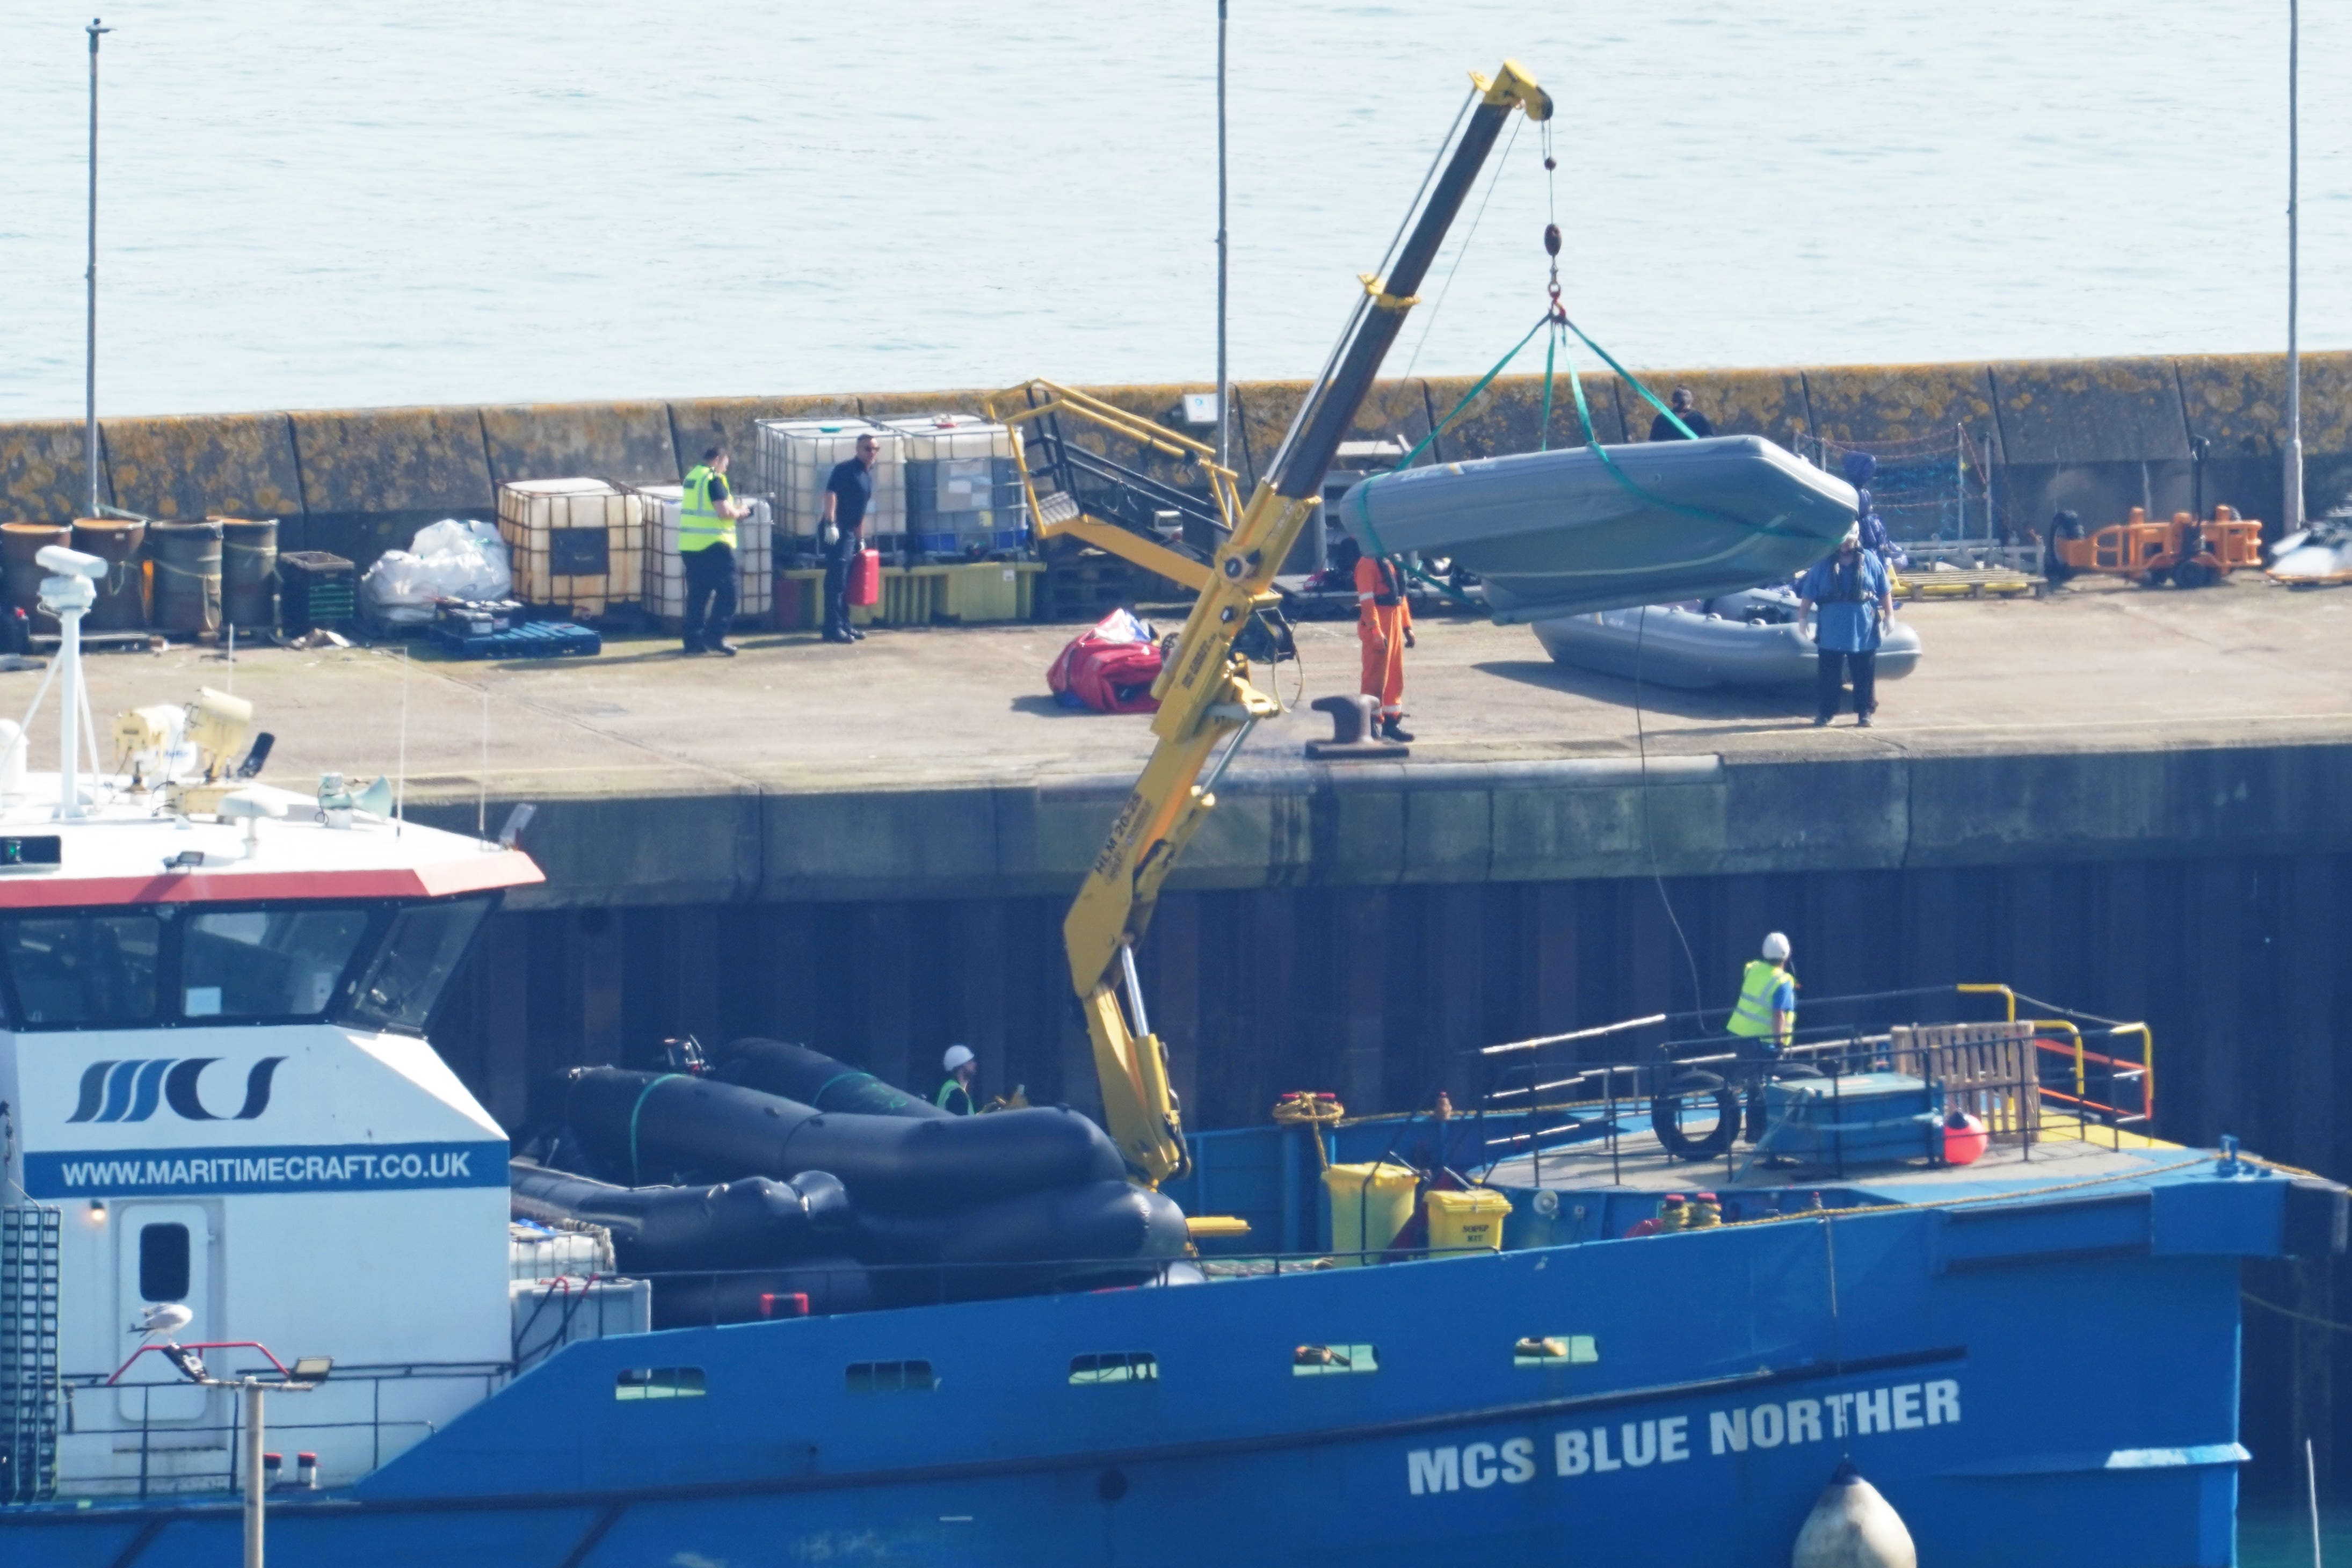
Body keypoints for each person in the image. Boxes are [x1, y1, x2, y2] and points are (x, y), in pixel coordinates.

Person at [1797, 525, 1894, 727]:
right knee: (1829, 675)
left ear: (1856, 539)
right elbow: (1809, 594)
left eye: (1849, 541)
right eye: (1843, 541)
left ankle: (1865, 712)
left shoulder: (1870, 560)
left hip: (1862, 629)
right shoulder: (1823, 564)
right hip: (1832, 630)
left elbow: (1884, 590)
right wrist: (1803, 618)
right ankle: (1826, 713)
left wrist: (1889, 615)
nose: (1846, 545)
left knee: (1864, 675)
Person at [678, 446, 751, 655]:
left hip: (689, 545)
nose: (725, 470)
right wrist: (741, 512)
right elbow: (723, 512)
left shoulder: (693, 477)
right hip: (713, 544)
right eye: (725, 465)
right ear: (718, 460)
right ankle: (715, 636)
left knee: (698, 594)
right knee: (730, 591)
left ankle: (693, 641)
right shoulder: (713, 479)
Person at [822, 433, 880, 644]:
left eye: (875, 449)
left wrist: (860, 538)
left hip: (850, 532)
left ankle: (845, 624)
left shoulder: (867, 475)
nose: (872, 453)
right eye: (868, 449)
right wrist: (830, 523)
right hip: (837, 530)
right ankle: (832, 628)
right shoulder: (846, 470)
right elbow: (831, 494)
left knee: (845, 581)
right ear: (858, 449)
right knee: (836, 581)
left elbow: (860, 511)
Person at [1354, 548, 1413, 742]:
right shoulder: (1367, 564)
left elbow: (1400, 596)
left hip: (1394, 622)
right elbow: (1367, 600)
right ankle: (1369, 723)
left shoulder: (1393, 561)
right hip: (1379, 622)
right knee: (1375, 676)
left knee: (1395, 676)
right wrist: (1375, 629)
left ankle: (1391, 723)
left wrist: (1407, 627)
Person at [1648, 386, 1715, 441]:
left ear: (1690, 403)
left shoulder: (1699, 420)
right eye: (1676, 402)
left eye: (1682, 403)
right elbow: (1653, 442)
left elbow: (1708, 442)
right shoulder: (1662, 420)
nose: (1678, 405)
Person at [935, 1043, 977, 1116]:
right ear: (960, 1066)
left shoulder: (949, 1088)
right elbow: (962, 1125)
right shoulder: (957, 1094)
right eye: (970, 1061)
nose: (974, 1064)